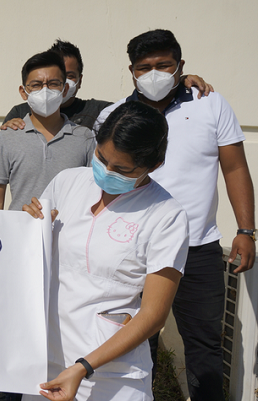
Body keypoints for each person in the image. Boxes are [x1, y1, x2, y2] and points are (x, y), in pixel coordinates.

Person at [95, 29, 255, 400]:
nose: (153, 74)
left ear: (180, 66)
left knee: (205, 345)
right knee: (134, 343)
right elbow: (100, 173)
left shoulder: (209, 103)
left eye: (163, 65)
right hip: (133, 250)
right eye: (143, 67)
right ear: (131, 71)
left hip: (197, 249)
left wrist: (246, 229)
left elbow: (234, 169)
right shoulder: (113, 114)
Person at [23, 100, 189, 401]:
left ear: (154, 166)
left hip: (111, 375)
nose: (107, 171)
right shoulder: (67, 183)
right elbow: (30, 260)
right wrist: (29, 227)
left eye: (121, 168)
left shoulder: (166, 215)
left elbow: (153, 315)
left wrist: (84, 366)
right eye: (101, 158)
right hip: (45, 361)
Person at [1, 39, 213, 131]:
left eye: (70, 76)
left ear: (80, 80)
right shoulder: (20, 113)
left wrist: (179, 81)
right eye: (56, 76)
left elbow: (146, 102)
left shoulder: (101, 111)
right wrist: (10, 127)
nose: (55, 87)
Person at [0, 50, 94, 211]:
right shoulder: (8, 137)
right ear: (24, 92)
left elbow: (93, 192)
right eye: (36, 85)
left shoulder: (84, 137)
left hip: (69, 233)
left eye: (53, 84)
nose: (45, 90)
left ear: (64, 90)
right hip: (19, 232)